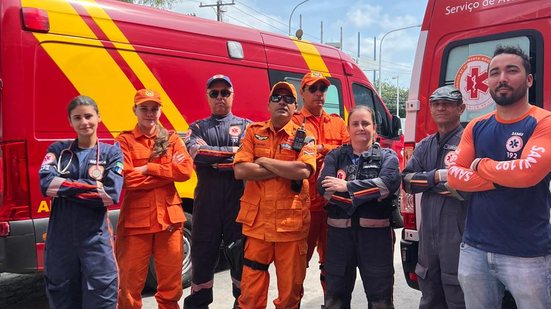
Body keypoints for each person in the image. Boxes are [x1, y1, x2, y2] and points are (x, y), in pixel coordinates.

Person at [447, 46, 551, 309]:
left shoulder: (543, 122)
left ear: (529, 80)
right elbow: (453, 175)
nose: (501, 78)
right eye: (494, 72)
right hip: (474, 248)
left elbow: (528, 173)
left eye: (511, 70)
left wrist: (480, 165)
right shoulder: (476, 125)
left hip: (528, 253)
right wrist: (505, 176)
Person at [233, 81, 316, 309]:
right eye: (277, 98)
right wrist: (283, 168)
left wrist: (263, 162)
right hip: (257, 228)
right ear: (268, 105)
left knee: (289, 297)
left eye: (288, 99)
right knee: (250, 297)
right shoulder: (253, 132)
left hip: (291, 229)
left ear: (295, 107)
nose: (282, 101)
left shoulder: (305, 137)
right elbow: (240, 170)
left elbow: (303, 170)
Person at [39, 95, 124, 309]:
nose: (84, 122)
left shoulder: (112, 152)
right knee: (62, 299)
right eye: (77, 118)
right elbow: (46, 185)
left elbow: (110, 194)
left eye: (88, 116)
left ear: (99, 117)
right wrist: (91, 187)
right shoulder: (58, 151)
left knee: (102, 299)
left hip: (95, 242)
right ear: (70, 122)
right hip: (60, 243)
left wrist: (65, 187)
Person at [115, 89, 194, 309]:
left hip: (169, 221)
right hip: (135, 223)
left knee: (171, 287)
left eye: (154, 108)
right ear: (135, 110)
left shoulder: (170, 138)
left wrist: (149, 168)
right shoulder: (124, 141)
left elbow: (186, 171)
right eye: (144, 108)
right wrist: (167, 174)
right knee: (129, 288)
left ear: (160, 111)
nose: (150, 113)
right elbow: (128, 180)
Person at [317, 105, 401, 309]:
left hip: (376, 240)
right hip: (339, 239)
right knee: (334, 299)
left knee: (380, 300)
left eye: (365, 123)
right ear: (348, 128)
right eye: (355, 123)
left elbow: (387, 185)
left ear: (374, 127)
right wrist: (369, 194)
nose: (360, 128)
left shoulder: (388, 157)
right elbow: (324, 189)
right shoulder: (335, 156)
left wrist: (347, 187)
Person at [183, 74, 251, 309]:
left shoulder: (247, 126)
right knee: (202, 261)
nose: (220, 97)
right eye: (214, 93)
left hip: (239, 206)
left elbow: (248, 156)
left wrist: (218, 157)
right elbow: (197, 154)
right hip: (206, 207)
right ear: (208, 97)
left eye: (225, 92)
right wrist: (234, 154)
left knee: (240, 260)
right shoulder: (197, 127)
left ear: (233, 95)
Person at [402, 85, 467, 309]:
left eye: (447, 104)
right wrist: (438, 176)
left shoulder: (469, 143)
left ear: (461, 108)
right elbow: (407, 182)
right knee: (429, 294)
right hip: (428, 237)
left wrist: (426, 183)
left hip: (459, 237)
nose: (440, 108)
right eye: (436, 104)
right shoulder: (424, 146)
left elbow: (468, 187)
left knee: (458, 295)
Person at [292, 71, 350, 291]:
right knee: (297, 266)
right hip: (303, 206)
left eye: (323, 89)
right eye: (313, 89)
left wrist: (321, 149)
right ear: (302, 92)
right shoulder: (294, 122)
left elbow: (349, 151)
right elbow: (291, 156)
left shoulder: (337, 123)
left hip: (333, 205)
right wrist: (330, 153)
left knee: (333, 264)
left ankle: (332, 303)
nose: (319, 94)